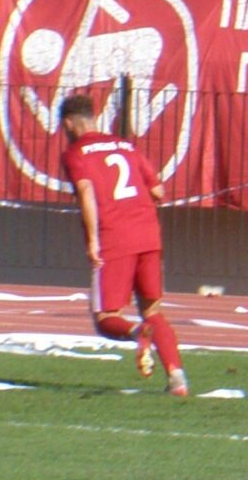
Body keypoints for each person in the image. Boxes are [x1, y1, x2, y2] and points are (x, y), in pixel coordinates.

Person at [59, 92, 189, 395]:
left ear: (68, 124)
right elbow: (157, 191)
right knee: (153, 310)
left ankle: (137, 333)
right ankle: (178, 378)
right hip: (148, 234)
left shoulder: (76, 153)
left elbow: (87, 193)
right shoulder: (125, 146)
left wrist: (92, 240)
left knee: (106, 318)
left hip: (114, 237)